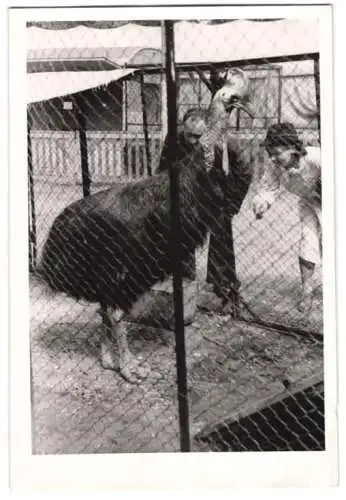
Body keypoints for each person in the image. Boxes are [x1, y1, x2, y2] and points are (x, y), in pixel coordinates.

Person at [252, 122, 322, 315]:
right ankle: (307, 292)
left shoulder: (315, 157)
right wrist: (261, 203)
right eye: (270, 152)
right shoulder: (275, 166)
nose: (273, 157)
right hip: (309, 203)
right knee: (308, 242)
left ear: (292, 147)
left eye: (277, 152)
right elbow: (268, 188)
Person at [157, 107, 207, 281]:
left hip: (201, 196)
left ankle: (187, 278)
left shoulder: (210, 144)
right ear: (183, 129)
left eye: (197, 137)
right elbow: (162, 171)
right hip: (176, 193)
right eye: (189, 135)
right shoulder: (172, 140)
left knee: (189, 238)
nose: (193, 141)